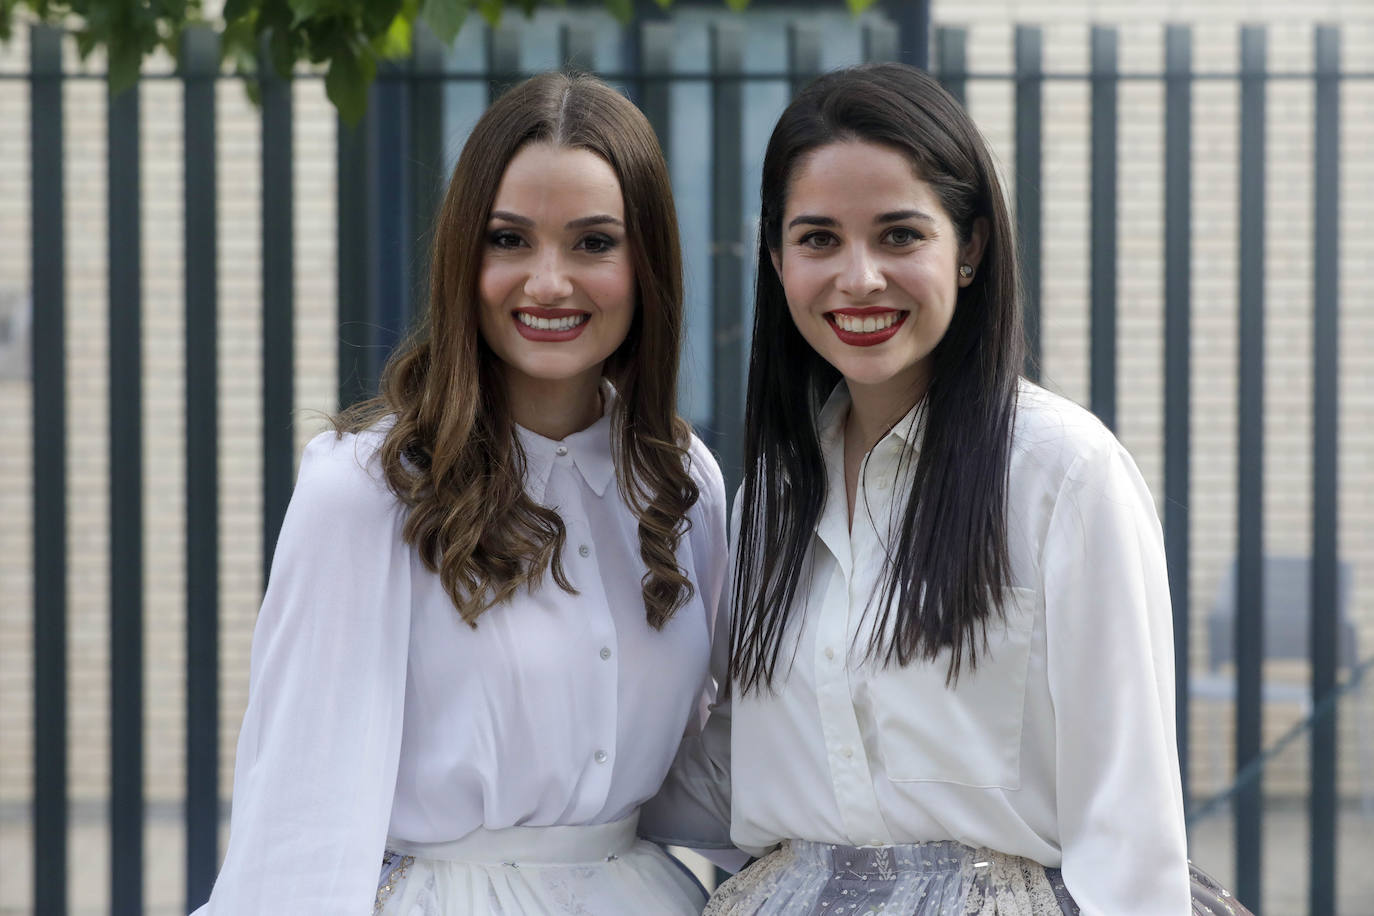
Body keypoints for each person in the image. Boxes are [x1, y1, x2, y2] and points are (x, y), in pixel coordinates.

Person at [649, 62, 1194, 914]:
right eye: (819, 238)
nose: (859, 277)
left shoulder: (1064, 476)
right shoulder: (770, 503)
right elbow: (726, 773)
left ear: (969, 247)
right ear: (776, 256)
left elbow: (1130, 827)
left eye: (900, 235)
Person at [194, 71, 727, 915]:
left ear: (647, 262)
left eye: (594, 243)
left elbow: (711, 769)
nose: (548, 283)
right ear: (461, 256)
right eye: (509, 240)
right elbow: (301, 800)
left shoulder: (682, 479)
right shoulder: (366, 486)